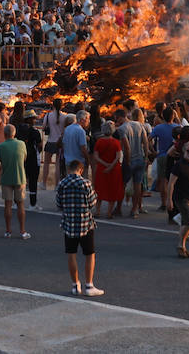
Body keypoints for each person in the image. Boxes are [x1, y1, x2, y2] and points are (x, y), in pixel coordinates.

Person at [56, 158, 102, 296]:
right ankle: (89, 285)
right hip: (85, 224)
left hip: (69, 224)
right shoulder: (86, 183)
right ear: (81, 170)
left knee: (71, 254)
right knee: (89, 254)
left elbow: (59, 204)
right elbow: (92, 202)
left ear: (70, 169)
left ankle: (75, 285)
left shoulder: (62, 184)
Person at [0, 123, 29, 239]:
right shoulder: (21, 144)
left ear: (5, 134)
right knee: (20, 205)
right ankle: (22, 231)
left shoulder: (1, 146)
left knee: (7, 205)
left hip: (6, 178)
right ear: (14, 134)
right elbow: (24, 158)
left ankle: (8, 231)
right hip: (20, 177)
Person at [91, 121, 124, 219]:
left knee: (100, 189)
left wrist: (105, 164)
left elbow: (96, 156)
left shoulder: (99, 141)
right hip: (114, 169)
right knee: (113, 190)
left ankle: (97, 211)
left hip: (101, 168)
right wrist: (111, 166)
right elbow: (118, 156)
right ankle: (109, 212)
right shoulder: (116, 142)